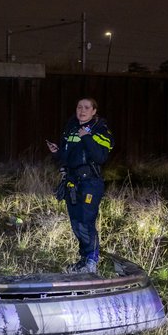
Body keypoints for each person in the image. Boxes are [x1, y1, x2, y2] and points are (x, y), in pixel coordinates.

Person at [46, 97, 114, 273]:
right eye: (79, 107)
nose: (82, 111)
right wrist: (57, 153)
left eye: (86, 107)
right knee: (76, 223)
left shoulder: (101, 130)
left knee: (86, 222)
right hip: (72, 183)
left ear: (94, 111)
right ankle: (84, 261)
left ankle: (92, 261)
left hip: (90, 183)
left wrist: (87, 137)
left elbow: (101, 157)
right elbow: (69, 157)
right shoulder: (71, 128)